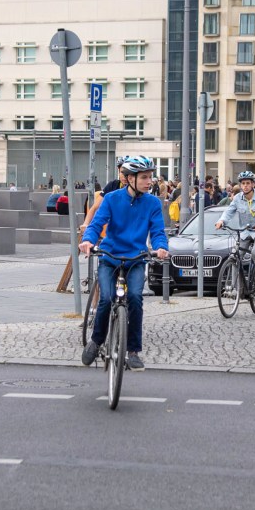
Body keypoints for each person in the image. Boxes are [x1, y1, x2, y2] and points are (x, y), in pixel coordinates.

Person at [79, 156, 169, 372]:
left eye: (151, 177)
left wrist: (161, 247)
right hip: (110, 257)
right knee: (106, 299)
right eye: (145, 177)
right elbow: (97, 223)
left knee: (136, 298)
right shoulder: (111, 199)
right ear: (130, 178)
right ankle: (96, 341)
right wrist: (88, 241)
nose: (150, 182)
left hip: (136, 259)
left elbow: (157, 231)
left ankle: (133, 352)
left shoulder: (153, 203)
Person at [215, 170, 255, 294]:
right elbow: (229, 212)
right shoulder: (237, 198)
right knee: (237, 256)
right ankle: (236, 287)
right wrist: (221, 221)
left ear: (252, 184)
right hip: (245, 232)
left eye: (248, 183)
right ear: (240, 185)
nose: (245, 186)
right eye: (243, 183)